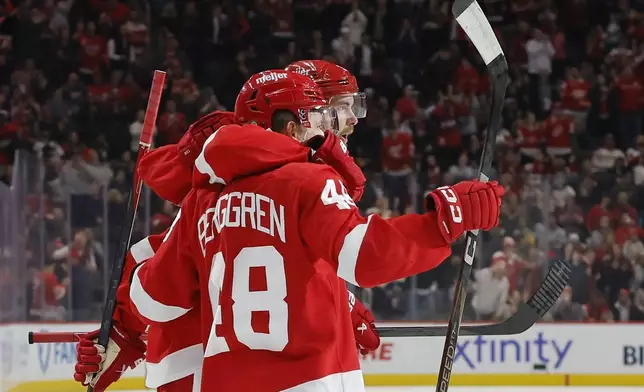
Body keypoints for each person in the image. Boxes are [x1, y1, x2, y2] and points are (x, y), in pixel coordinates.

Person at [128, 70, 505, 391]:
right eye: (316, 118)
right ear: (290, 127)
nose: (326, 130)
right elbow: (364, 256)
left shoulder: (202, 201)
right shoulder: (306, 179)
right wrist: (445, 218)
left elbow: (154, 300)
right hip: (311, 379)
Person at [73, 63, 379, 391]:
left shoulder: (265, 165)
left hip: (231, 359)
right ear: (300, 118)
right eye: (339, 108)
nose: (352, 120)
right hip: (208, 359)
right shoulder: (248, 170)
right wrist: (123, 328)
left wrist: (342, 304)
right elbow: (177, 253)